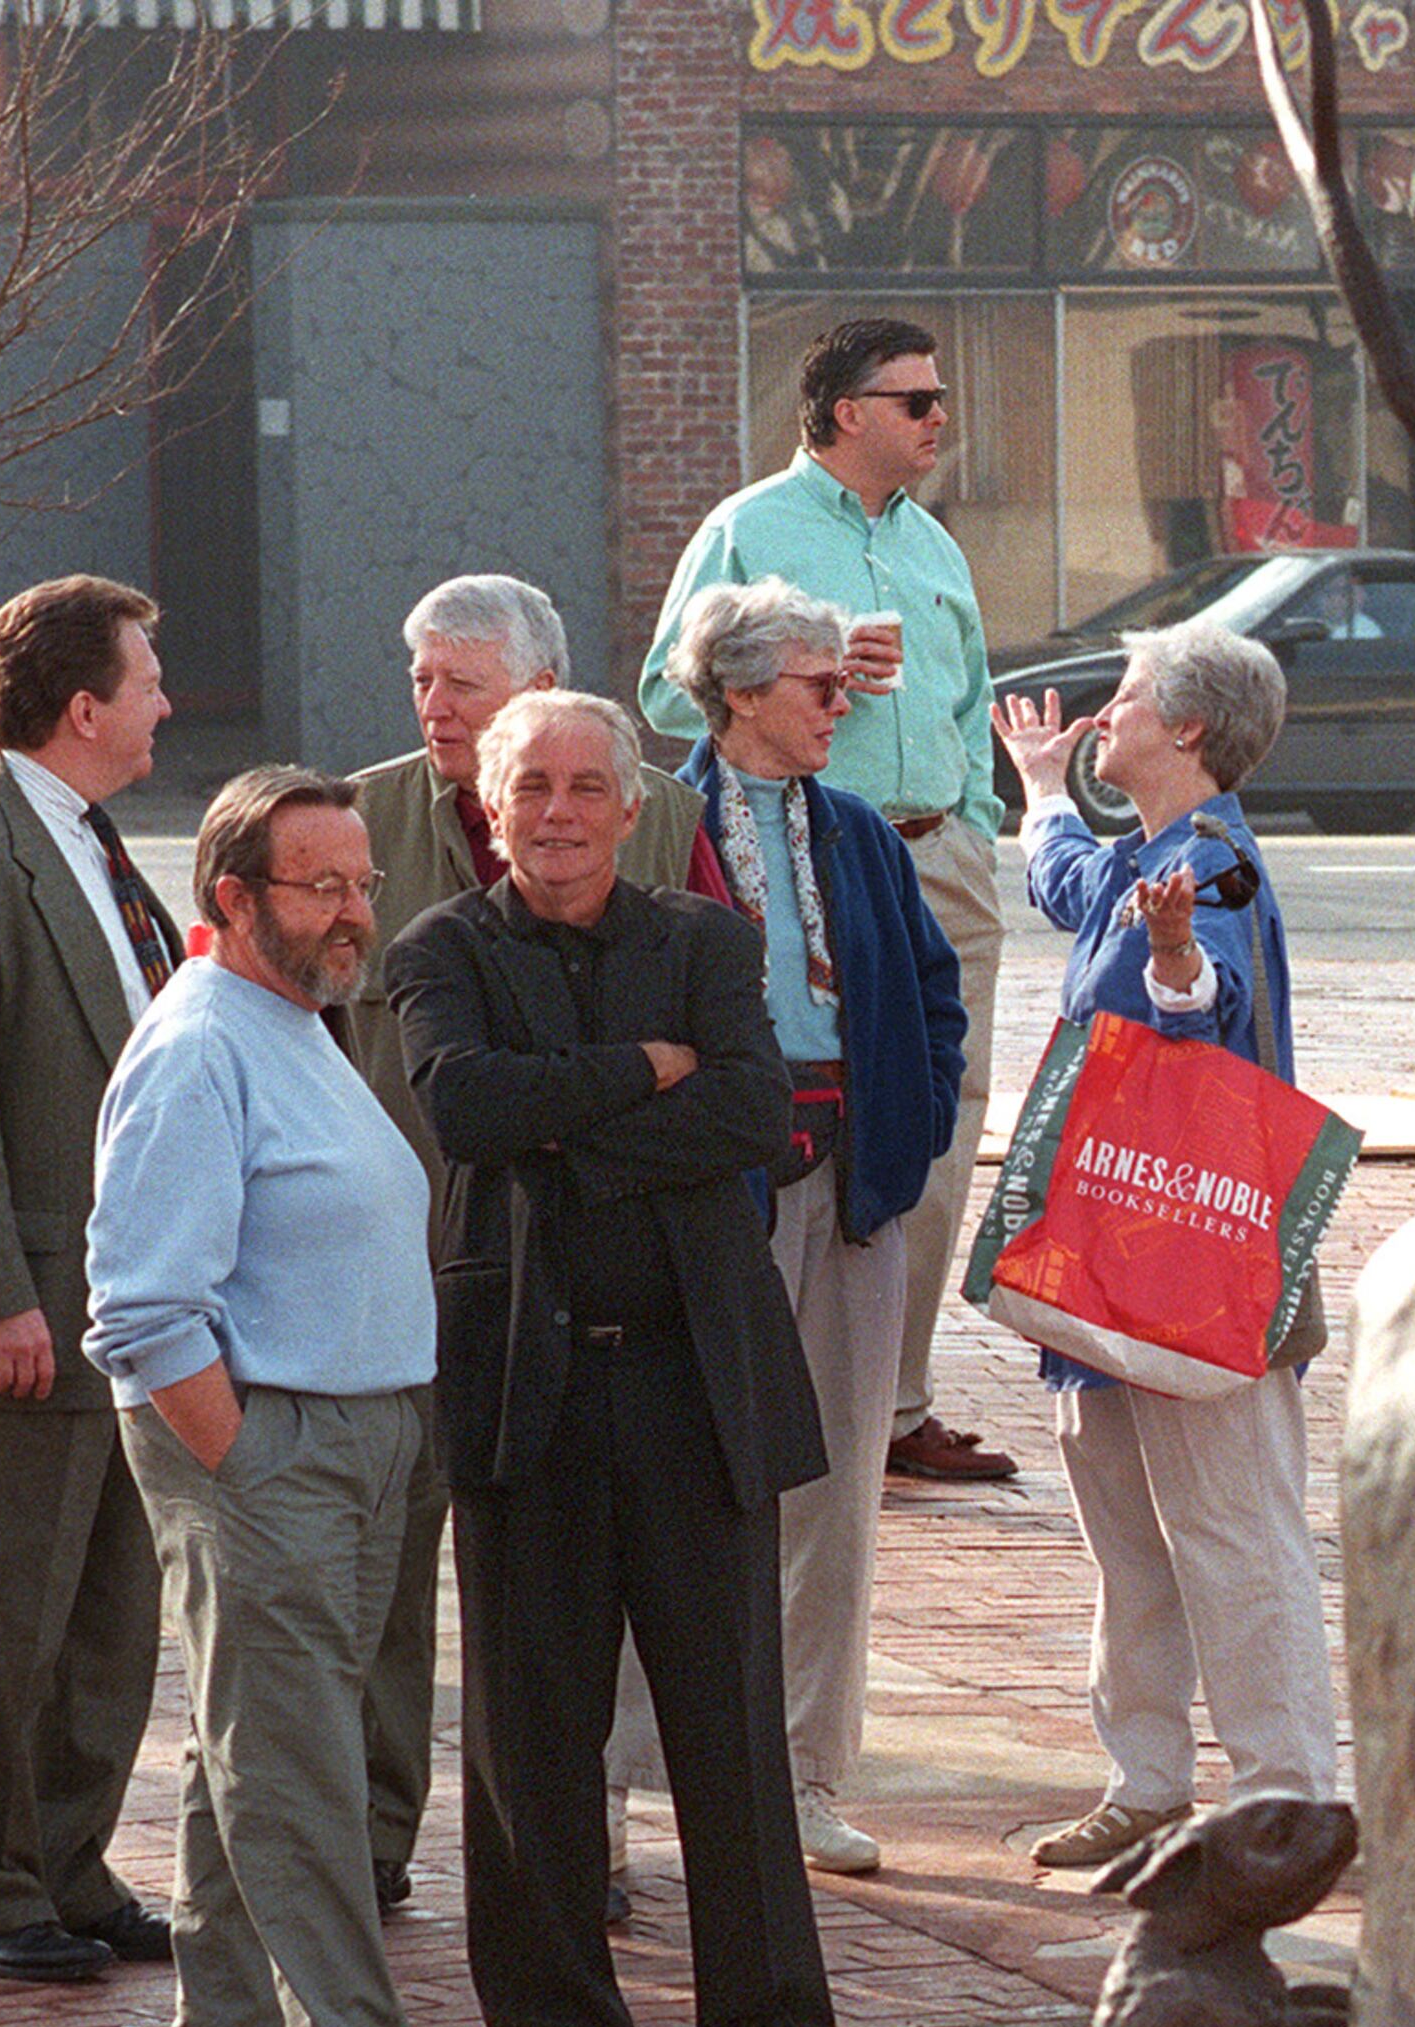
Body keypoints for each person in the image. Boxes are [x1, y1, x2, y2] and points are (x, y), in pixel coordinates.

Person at [394, 692, 834, 2027]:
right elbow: (464, 1108)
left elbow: (759, 1115)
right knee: (532, 1735)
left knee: (730, 1723)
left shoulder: (708, 942)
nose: (563, 812)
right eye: (536, 788)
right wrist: (644, 1078)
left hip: (694, 1381)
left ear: (631, 806)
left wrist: (562, 1128)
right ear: (494, 806)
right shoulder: (440, 950)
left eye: (589, 786)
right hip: (525, 1384)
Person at [82, 767, 506, 2027]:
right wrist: (249, 1467)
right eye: (319, 887)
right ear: (233, 898)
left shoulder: (294, 1019)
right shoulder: (199, 1043)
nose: (352, 914)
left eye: (361, 884)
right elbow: (142, 1308)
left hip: (354, 1443)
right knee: (305, 1783)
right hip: (277, 1451)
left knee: (244, 1764)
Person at [345, 571, 710, 1912]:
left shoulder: (660, 815)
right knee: (389, 1566)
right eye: (422, 680)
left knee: (571, 1584)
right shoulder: (356, 822)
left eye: (463, 683)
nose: (434, 706)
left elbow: (729, 1061)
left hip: (588, 1269)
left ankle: (585, 1841)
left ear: (545, 693)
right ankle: (372, 1837)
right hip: (397, 1263)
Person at [629, 576, 969, 1878]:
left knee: (833, 1493)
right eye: (822, 685)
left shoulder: (861, 834)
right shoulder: (657, 822)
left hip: (851, 1192)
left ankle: (805, 1774)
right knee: (667, 1481)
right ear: (739, 692)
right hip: (699, 1194)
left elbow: (932, 993)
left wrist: (911, 1124)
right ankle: (617, 1781)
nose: (845, 704)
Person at [639, 314, 1011, 1487]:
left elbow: (970, 701)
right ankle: (789, 1382)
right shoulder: (750, 527)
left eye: (939, 397)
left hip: (937, 858)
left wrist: (976, 826)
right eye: (917, 401)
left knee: (940, 1125)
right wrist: (822, 658)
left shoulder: (937, 547)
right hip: (813, 859)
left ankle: (895, 1403)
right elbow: (662, 687)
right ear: (849, 412)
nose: (939, 417)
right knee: (806, 1118)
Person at [996, 623, 1342, 1875]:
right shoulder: (1145, 857)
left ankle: (1285, 1793)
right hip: (1112, 1268)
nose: (1105, 714)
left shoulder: (1217, 872)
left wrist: (1178, 961)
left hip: (1194, 1272)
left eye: (1126, 696)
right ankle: (1145, 1780)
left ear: (1186, 728)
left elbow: (1213, 1000)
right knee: (1132, 1546)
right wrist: (1040, 793)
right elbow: (1068, 882)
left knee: (1234, 1537)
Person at [0, 575, 176, 1983]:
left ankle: (70, 1868)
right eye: (149, 678)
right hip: (26, 1324)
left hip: (126, 1309)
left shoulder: (83, 836)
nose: (168, 700)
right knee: (7, 1622)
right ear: (83, 708)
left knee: (113, 1611)